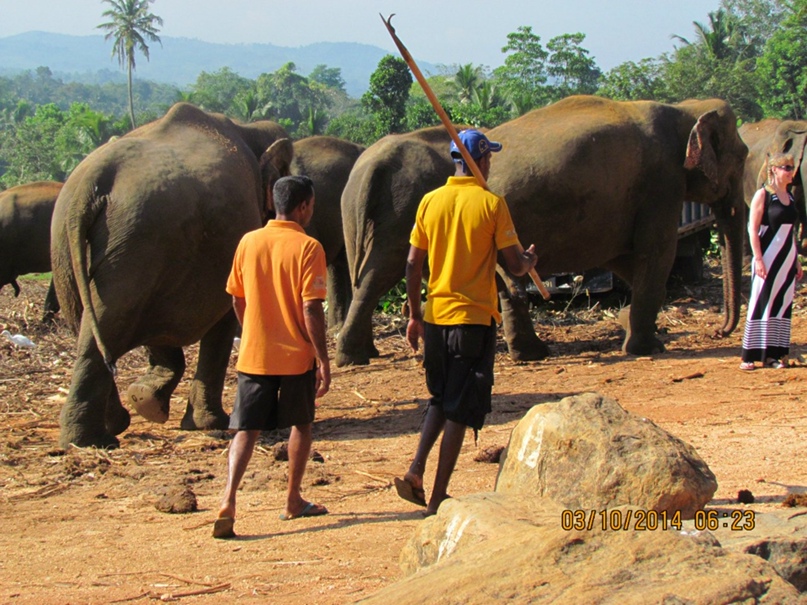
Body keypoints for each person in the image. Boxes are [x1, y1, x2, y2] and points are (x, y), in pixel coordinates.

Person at [395, 129, 538, 517]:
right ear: (480, 160)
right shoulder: (492, 204)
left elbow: (412, 263)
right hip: (472, 321)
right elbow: (514, 266)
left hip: (437, 318)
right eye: (488, 157)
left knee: (440, 398)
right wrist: (529, 261)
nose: (491, 163)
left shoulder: (430, 201)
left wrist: (414, 313)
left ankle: (416, 470)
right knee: (459, 407)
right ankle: (438, 497)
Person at [213, 175, 331, 539]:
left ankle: (228, 499)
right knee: (301, 425)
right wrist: (323, 358)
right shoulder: (309, 247)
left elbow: (237, 297)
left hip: (255, 354)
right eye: (310, 205)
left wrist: (253, 329)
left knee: (246, 429)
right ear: (303, 207)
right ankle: (292, 499)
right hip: (296, 356)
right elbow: (312, 308)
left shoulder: (248, 242)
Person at [739, 152, 803, 371]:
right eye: (786, 167)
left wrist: (796, 261)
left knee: (781, 304)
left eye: (792, 167)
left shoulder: (790, 197)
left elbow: (790, 231)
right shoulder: (764, 195)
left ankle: (774, 355)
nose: (791, 171)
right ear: (774, 170)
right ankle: (750, 355)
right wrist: (757, 258)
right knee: (761, 300)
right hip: (767, 256)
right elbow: (753, 229)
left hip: (786, 258)